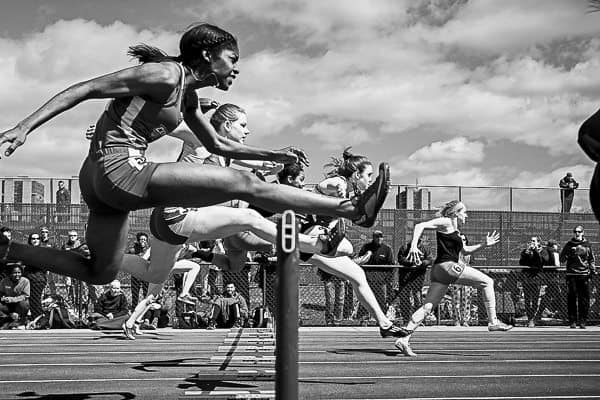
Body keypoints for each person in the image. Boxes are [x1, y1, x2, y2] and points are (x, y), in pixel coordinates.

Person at [0, 23, 389, 288]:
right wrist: (23, 128)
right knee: (243, 185)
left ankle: (6, 249)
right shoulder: (164, 75)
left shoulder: (185, 95)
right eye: (232, 59)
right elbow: (84, 88)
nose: (236, 70)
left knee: (101, 272)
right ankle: (352, 210)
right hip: (118, 167)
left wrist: (275, 154)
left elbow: (219, 145)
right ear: (207, 55)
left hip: (101, 185)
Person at [395, 200, 512, 357]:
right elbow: (419, 226)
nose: (466, 215)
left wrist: (484, 244)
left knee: (427, 307)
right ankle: (493, 322)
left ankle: (404, 338)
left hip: (439, 272)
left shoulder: (456, 232)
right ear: (455, 213)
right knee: (488, 282)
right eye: (464, 212)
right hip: (446, 266)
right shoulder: (446, 222)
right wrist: (414, 246)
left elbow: (465, 250)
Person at [559, 226, 595, 328]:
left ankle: (583, 321)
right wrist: (570, 253)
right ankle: (573, 321)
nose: (577, 233)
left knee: (584, 300)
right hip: (572, 275)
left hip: (584, 275)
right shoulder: (569, 245)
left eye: (579, 232)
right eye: (575, 231)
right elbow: (562, 259)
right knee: (572, 298)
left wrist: (592, 271)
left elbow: (591, 259)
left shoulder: (587, 245)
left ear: (583, 233)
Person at [355, 230, 395, 312]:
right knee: (366, 299)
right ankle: (363, 317)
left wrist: (388, 279)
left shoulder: (387, 249)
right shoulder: (366, 247)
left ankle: (382, 316)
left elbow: (391, 266)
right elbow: (360, 261)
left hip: (381, 281)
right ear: (373, 237)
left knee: (381, 300)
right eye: (377, 237)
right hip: (368, 280)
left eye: (381, 237)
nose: (379, 238)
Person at [396, 238, 432, 324]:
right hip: (405, 279)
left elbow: (430, 259)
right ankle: (406, 319)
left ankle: (418, 320)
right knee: (404, 299)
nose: (418, 243)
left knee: (418, 299)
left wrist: (422, 263)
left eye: (420, 241)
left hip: (418, 279)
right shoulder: (404, 248)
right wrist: (412, 263)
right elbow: (401, 259)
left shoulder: (425, 249)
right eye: (416, 241)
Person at [23, 233, 47, 320]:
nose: (35, 240)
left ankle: (39, 318)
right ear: (30, 240)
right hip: (29, 277)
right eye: (33, 238)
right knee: (32, 300)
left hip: (38, 279)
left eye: (37, 238)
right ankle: (35, 318)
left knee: (35, 300)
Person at [0, 264, 30, 328]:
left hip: (19, 304)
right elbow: (1, 293)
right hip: (7, 304)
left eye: (19, 273)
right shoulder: (4, 281)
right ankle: (8, 319)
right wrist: (2, 298)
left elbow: (25, 296)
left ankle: (21, 321)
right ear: (10, 274)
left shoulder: (25, 281)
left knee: (25, 303)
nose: (17, 275)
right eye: (14, 273)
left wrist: (11, 299)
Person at [128, 232, 151, 308]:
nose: (143, 241)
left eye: (145, 239)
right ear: (138, 240)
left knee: (146, 293)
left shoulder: (149, 251)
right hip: (135, 274)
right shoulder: (133, 250)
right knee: (135, 294)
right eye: (141, 239)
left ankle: (146, 310)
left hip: (146, 275)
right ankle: (134, 308)